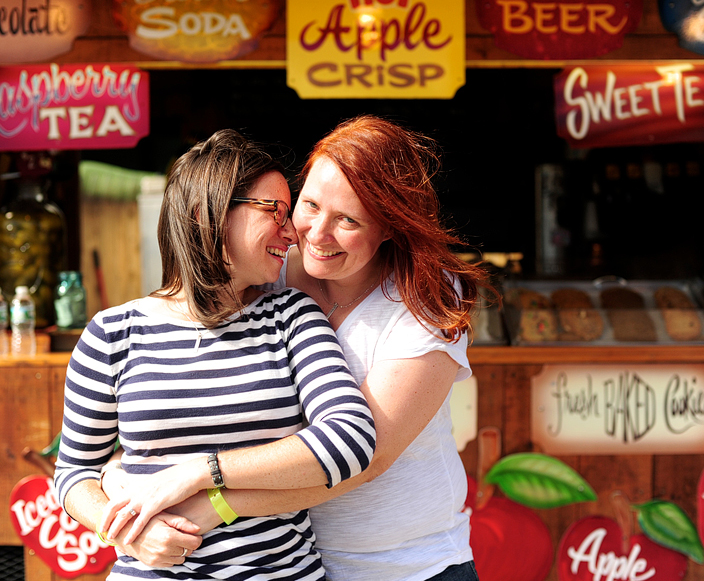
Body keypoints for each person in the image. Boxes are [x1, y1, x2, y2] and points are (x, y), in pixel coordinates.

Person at [104, 115, 487, 581]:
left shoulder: (424, 295)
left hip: (409, 565)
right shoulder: (268, 272)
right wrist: (121, 479)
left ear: (390, 227)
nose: (316, 235)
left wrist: (215, 501)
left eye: (348, 220)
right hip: (294, 566)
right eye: (309, 206)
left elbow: (367, 459)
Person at [53, 129, 377, 580]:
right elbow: (73, 474)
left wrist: (203, 472)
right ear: (211, 213)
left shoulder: (291, 316)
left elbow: (351, 440)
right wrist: (130, 535)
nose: (293, 234)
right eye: (275, 212)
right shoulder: (112, 334)